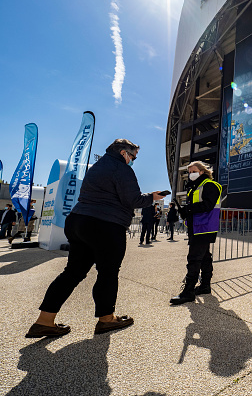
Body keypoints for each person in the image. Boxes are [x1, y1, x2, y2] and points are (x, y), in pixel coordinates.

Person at [26, 138, 164, 338]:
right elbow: (133, 200)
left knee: (72, 272)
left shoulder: (97, 167)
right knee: (108, 273)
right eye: (133, 156)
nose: (133, 160)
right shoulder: (122, 169)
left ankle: (44, 321)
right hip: (105, 225)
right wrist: (152, 197)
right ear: (124, 153)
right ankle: (107, 319)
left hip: (78, 221)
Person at [170, 161, 222, 305]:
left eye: (192, 171)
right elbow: (196, 207)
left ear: (201, 171)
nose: (190, 174)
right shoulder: (196, 186)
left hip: (204, 227)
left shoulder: (209, 185)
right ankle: (205, 286)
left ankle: (188, 291)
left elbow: (207, 205)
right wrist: (186, 211)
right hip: (199, 226)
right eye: (188, 171)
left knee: (194, 258)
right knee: (204, 257)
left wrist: (189, 209)